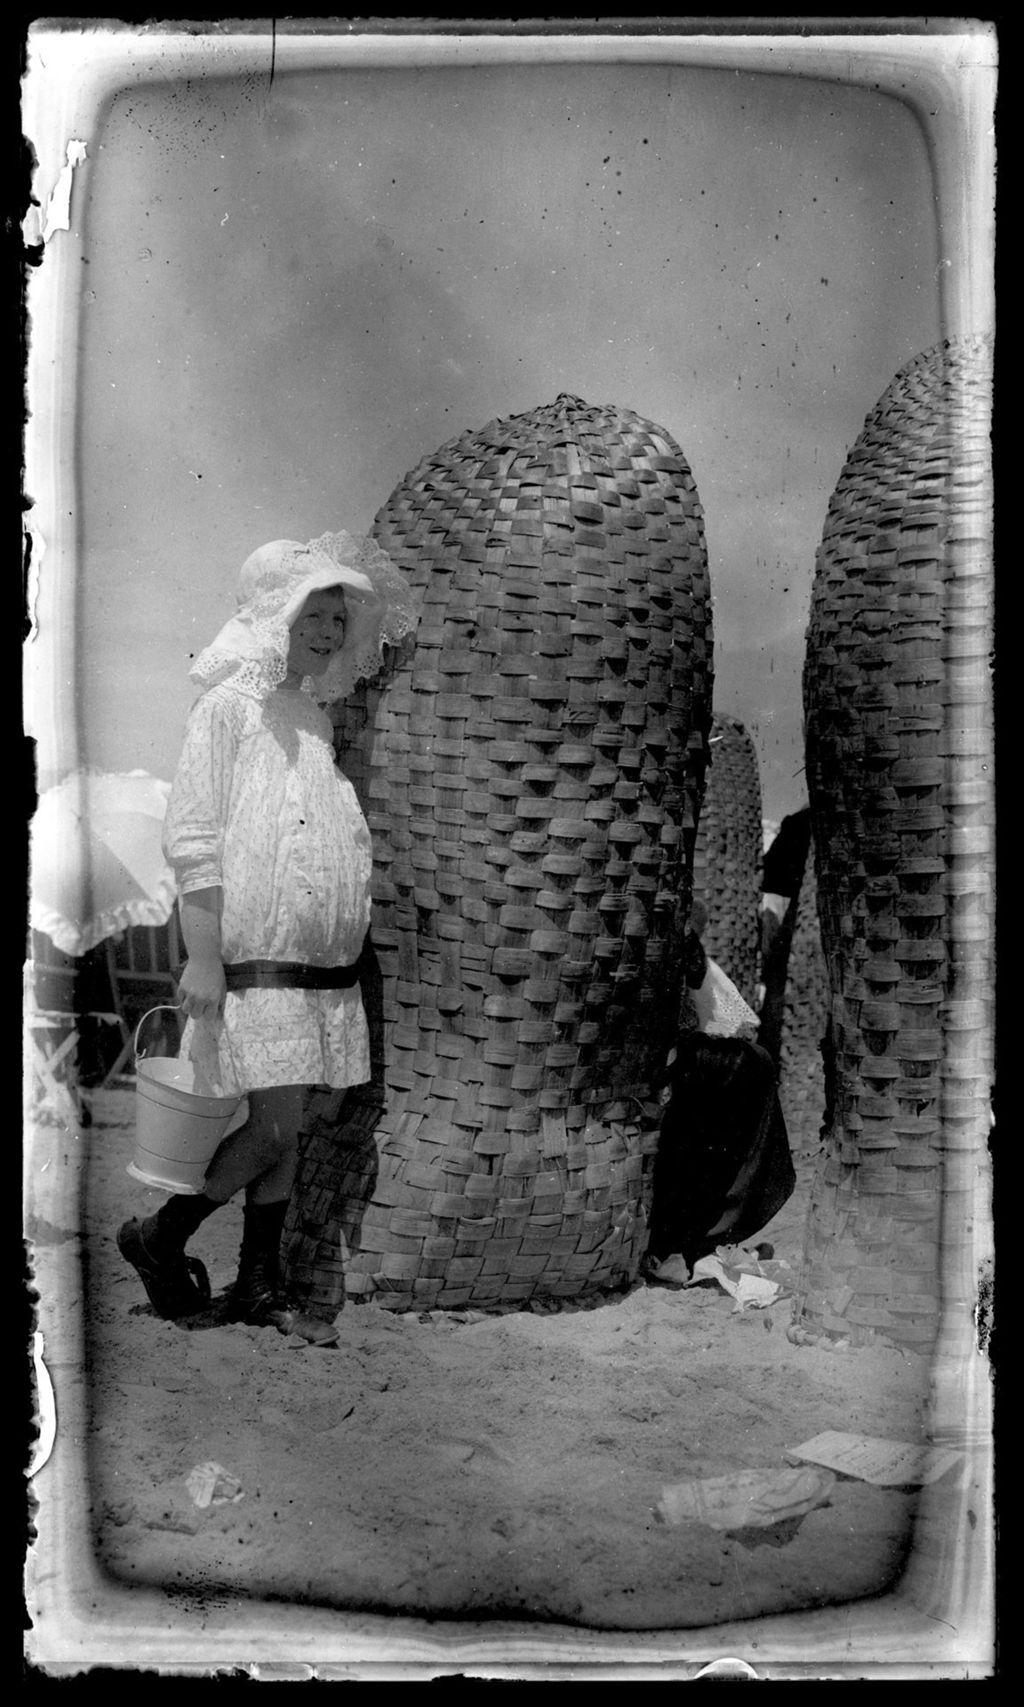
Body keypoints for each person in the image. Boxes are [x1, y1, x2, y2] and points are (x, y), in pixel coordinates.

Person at [117, 532, 416, 1342]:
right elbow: (196, 837)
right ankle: (162, 1234)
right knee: (278, 1127)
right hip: (258, 959)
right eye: (311, 614)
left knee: (286, 1127)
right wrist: (205, 954)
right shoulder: (226, 710)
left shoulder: (310, 720)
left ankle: (257, 1284)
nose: (327, 630)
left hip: (319, 967)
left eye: (336, 617)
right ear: (270, 617)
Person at [645, 919, 796, 1286]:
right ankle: (698, 1236)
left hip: (691, 1055)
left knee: (743, 1074)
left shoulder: (675, 940)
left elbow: (716, 1007)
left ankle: (700, 1236)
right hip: (684, 1058)